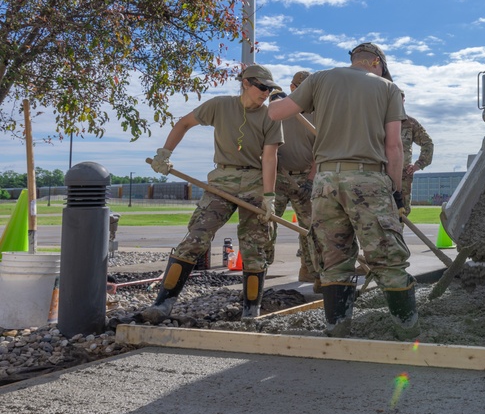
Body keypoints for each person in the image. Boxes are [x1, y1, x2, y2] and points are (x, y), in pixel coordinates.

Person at [268, 43, 419, 340]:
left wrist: (276, 95)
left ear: (352, 60)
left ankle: (337, 330)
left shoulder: (320, 79)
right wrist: (397, 193)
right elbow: (394, 146)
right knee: (388, 259)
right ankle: (408, 332)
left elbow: (276, 113)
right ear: (376, 62)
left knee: (334, 261)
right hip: (367, 179)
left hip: (325, 183)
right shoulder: (388, 88)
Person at [145, 64, 284, 322]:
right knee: (196, 237)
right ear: (246, 83)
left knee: (255, 247)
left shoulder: (271, 117)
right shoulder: (220, 105)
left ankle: (250, 310)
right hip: (222, 180)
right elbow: (184, 123)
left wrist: (268, 197)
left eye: (270, 89)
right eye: (262, 87)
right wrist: (164, 154)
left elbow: (270, 157)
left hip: (254, 181)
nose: (266, 93)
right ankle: (163, 303)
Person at [268, 71, 321, 286]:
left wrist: (310, 180)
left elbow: (322, 151)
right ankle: (260, 268)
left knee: (311, 229)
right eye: (298, 87)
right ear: (291, 87)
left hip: (305, 179)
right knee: (268, 223)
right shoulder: (276, 111)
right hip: (278, 177)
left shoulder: (317, 114)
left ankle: (312, 272)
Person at [399, 91, 434, 216]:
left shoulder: (410, 123)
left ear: (404, 102)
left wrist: (418, 164)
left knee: (401, 215)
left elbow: (428, 144)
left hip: (402, 177)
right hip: (381, 175)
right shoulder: (379, 121)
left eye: (400, 100)